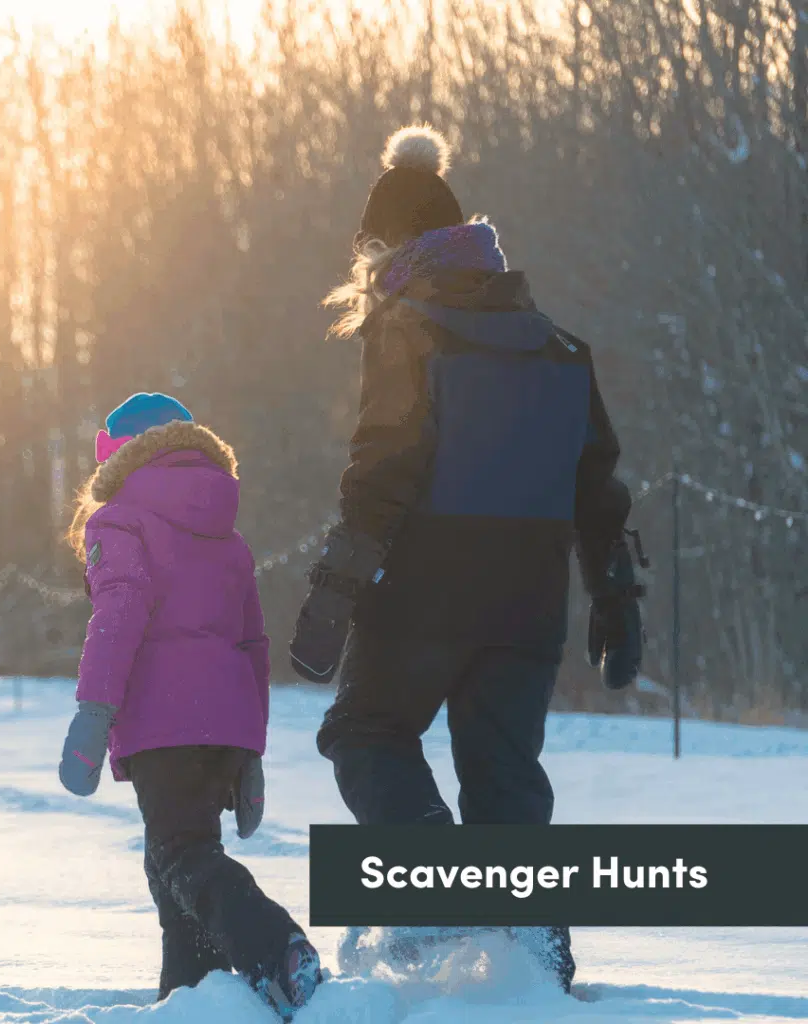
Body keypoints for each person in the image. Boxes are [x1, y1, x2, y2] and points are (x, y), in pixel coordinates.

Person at [290, 126, 646, 993]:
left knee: (365, 732)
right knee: (504, 777)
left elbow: (383, 468)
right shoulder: (559, 347)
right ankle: (540, 966)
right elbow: (597, 485)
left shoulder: (409, 330)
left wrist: (333, 590)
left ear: (389, 250)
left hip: (423, 591)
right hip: (528, 603)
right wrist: (615, 594)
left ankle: (437, 896)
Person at [59, 392, 321, 1021]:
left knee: (181, 855)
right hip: (224, 722)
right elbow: (252, 644)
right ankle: (192, 1000)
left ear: (122, 456)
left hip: (164, 720)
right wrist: (250, 750)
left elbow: (118, 616)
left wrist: (93, 713)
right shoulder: (226, 533)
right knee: (173, 870)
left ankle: (277, 947)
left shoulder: (120, 521)